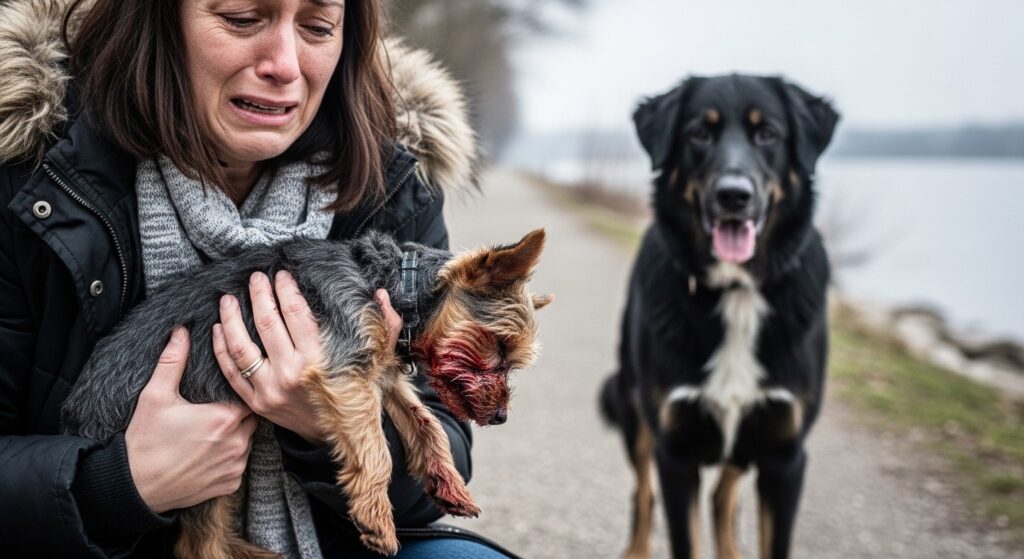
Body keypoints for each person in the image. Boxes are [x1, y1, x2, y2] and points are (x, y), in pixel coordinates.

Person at [0, 0, 512, 557]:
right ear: (159, 21)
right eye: (242, 18)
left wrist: (325, 421)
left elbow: (439, 463)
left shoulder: (391, 186)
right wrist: (116, 483)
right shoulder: (32, 173)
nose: (285, 65)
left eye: (317, 27)